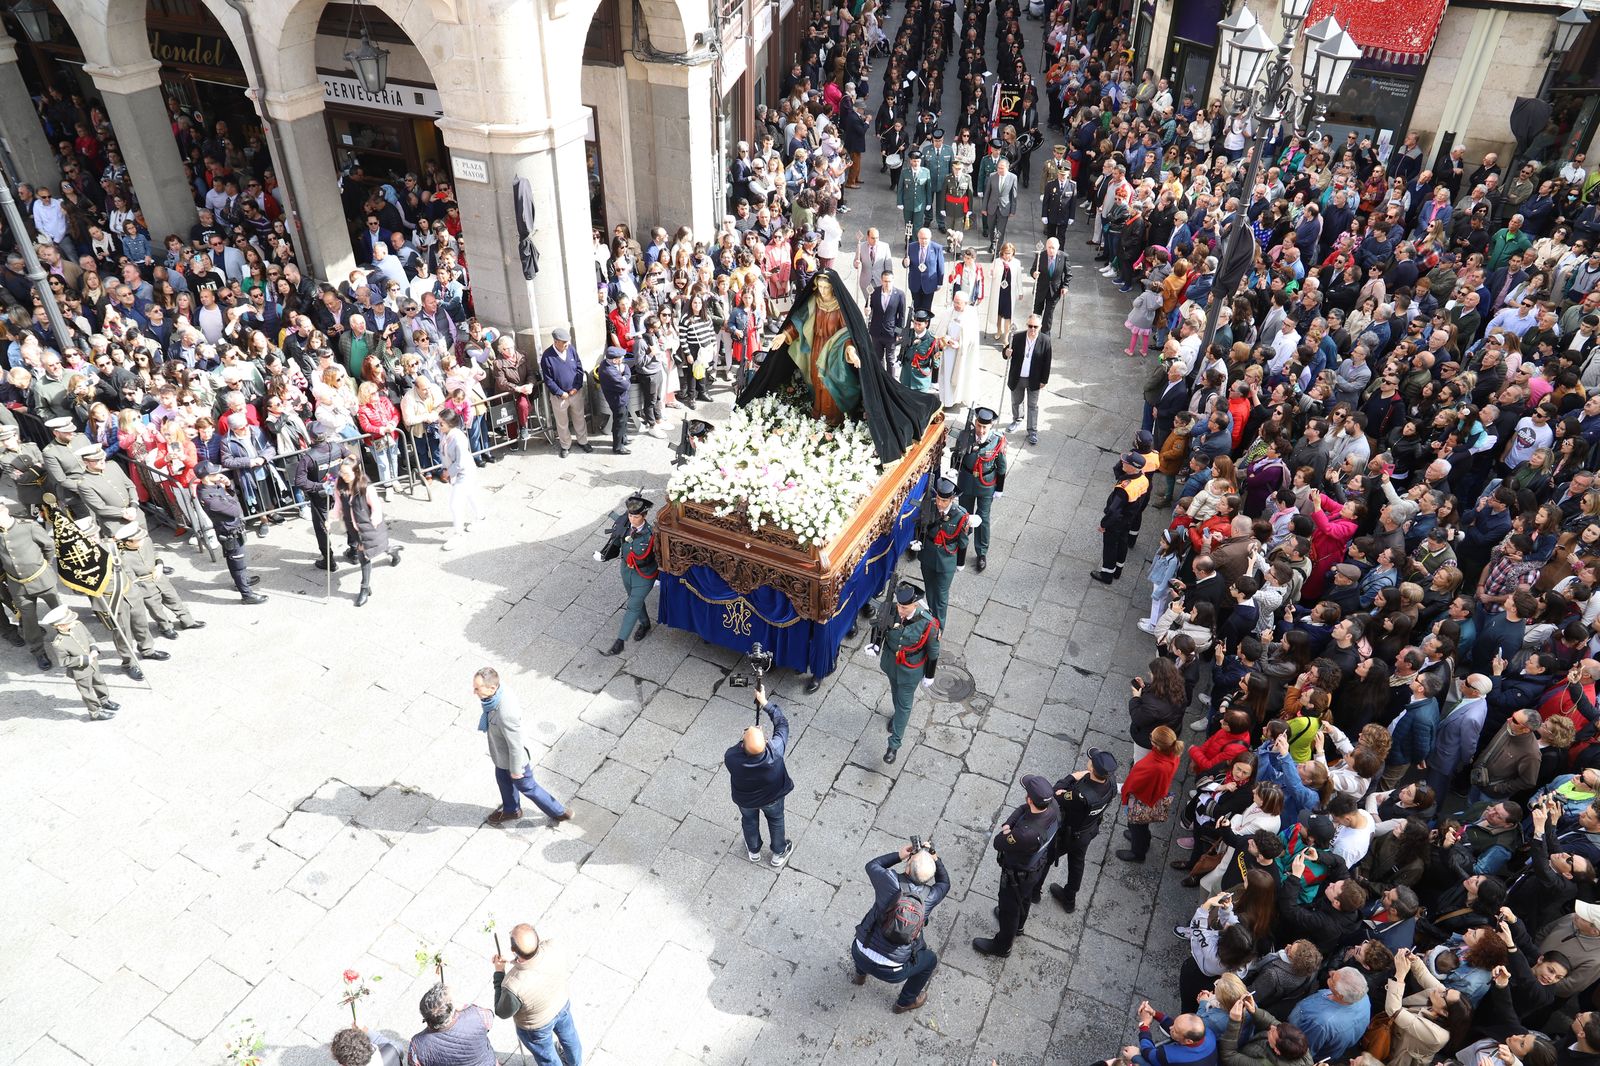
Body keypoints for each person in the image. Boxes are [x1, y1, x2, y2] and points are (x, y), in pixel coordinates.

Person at [849, 840, 950, 1013]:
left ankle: (860, 975)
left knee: (870, 934)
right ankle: (905, 1002)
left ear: (908, 868)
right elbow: (945, 883)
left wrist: (899, 855)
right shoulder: (931, 896)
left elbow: (872, 865)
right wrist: (936, 859)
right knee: (930, 960)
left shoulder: (889, 880)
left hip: (860, 951)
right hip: (894, 971)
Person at [973, 773, 1061, 958]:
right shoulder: (1052, 806)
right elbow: (1023, 809)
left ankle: (1002, 946)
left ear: (1030, 798)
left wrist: (1006, 831)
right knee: (1025, 898)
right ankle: (1020, 925)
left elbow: (998, 843)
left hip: (1017, 876)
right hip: (1036, 866)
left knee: (1008, 909)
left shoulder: (1024, 834)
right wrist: (1009, 823)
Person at [474, 665, 572, 826]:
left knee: (528, 787)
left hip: (515, 761)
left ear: (492, 687)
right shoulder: (498, 692)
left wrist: (516, 770)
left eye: (477, 689)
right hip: (502, 757)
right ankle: (511, 810)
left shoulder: (505, 715)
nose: (474, 692)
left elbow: (515, 745)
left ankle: (559, 812)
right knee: (502, 779)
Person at [724, 682, 795, 868]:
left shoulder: (732, 758)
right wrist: (764, 703)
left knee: (749, 820)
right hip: (773, 798)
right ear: (765, 741)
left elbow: (740, 748)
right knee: (776, 819)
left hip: (745, 799)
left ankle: (754, 849)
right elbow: (782, 723)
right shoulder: (776, 750)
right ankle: (779, 852)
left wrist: (745, 738)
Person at [492, 923, 582, 1066]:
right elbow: (534, 961)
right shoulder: (554, 946)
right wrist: (515, 960)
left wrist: (499, 972)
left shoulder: (513, 984)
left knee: (547, 1056)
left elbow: (502, 1011)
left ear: (513, 949)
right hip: (561, 1005)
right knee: (570, 1038)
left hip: (537, 1026)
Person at [874, 581, 941, 765]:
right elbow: (880, 626)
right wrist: (875, 645)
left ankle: (893, 745)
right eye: (900, 606)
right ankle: (897, 718)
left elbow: (933, 651)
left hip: (911, 669)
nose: (900, 610)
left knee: (904, 704)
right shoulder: (892, 609)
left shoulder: (928, 624)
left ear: (916, 604)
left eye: (905, 607)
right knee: (895, 693)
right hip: (891, 663)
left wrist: (929, 674)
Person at [1047, 747, 1120, 913]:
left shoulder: (1081, 795)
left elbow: (1056, 795)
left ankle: (1034, 892)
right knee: (1077, 863)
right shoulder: (1112, 784)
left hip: (1069, 835)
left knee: (1045, 859)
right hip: (1088, 830)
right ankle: (1069, 899)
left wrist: (1072, 777)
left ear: (1092, 769)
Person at [330, 456, 402, 607]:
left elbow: (376, 508)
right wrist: (332, 518)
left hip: (369, 527)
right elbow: (338, 504)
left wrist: (372, 524)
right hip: (354, 528)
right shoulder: (339, 484)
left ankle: (364, 588)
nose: (343, 476)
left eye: (347, 474)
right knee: (371, 551)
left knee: (366, 554)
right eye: (342, 473)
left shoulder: (366, 487)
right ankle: (392, 551)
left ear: (357, 472)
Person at [194, 462, 268, 605]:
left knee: (236, 560)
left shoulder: (210, 486)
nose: (219, 475)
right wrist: (227, 493)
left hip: (232, 529)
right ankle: (247, 595)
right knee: (237, 562)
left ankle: (242, 581)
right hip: (229, 532)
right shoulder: (209, 497)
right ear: (207, 477)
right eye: (215, 473)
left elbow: (231, 498)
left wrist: (227, 486)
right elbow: (236, 510)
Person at [0, 506, 63, 670]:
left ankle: (71, 643)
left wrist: (44, 566)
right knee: (29, 621)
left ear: (5, 511)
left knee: (60, 612)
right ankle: (38, 652)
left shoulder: (28, 526)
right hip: (18, 585)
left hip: (42, 579)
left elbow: (48, 546)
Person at [113, 521, 202, 637]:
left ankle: (187, 621)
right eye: (138, 540)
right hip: (144, 585)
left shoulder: (146, 541)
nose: (143, 540)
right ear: (128, 542)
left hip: (160, 578)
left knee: (174, 599)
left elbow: (155, 554)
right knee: (156, 609)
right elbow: (129, 576)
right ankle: (165, 627)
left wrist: (159, 565)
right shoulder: (121, 555)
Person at [915, 476, 975, 628]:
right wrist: (917, 541)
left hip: (947, 559)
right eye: (938, 499)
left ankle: (937, 629)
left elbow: (963, 541)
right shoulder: (929, 505)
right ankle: (930, 622)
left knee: (941, 597)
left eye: (944, 501)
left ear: (952, 499)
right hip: (928, 556)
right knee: (930, 591)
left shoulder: (960, 515)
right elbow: (919, 525)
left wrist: (960, 563)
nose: (940, 503)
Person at [292, 420, 352, 571]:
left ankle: (329, 561)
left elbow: (299, 481)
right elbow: (352, 458)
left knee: (322, 528)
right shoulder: (337, 447)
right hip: (339, 491)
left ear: (311, 438)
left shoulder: (308, 457)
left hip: (322, 496)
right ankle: (355, 551)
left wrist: (320, 486)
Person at [601, 492, 657, 656]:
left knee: (633, 604)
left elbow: (660, 555)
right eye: (630, 515)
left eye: (637, 516)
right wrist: (606, 552)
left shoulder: (652, 534)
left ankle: (620, 642)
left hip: (645, 573)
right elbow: (616, 544)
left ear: (645, 515)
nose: (632, 519)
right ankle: (645, 624)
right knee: (633, 597)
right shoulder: (624, 526)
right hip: (626, 569)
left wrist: (661, 576)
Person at [42, 603, 118, 721]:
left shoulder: (78, 625)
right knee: (87, 692)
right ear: (61, 626)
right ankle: (95, 712)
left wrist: (94, 648)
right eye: (70, 621)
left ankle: (104, 700)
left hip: (93, 664)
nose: (74, 621)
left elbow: (89, 637)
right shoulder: (59, 643)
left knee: (99, 682)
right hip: (81, 671)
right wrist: (86, 659)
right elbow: (64, 661)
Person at [954, 406, 1007, 571]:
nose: (981, 430)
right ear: (975, 423)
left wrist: (1000, 488)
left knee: (983, 517)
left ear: (991, 426)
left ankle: (981, 552)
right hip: (966, 481)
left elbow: (1002, 466)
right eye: (979, 425)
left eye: (985, 427)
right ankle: (960, 545)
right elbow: (957, 456)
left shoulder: (998, 440)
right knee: (964, 516)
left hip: (986, 484)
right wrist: (952, 471)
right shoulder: (965, 436)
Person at [1120, 725, 1183, 863]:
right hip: (1153, 797)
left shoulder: (1153, 766)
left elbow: (1132, 784)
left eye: (1151, 738)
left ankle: (1138, 854)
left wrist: (1124, 797)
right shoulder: (1173, 755)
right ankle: (1143, 839)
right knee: (1141, 825)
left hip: (1142, 799)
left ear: (1158, 746)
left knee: (1137, 825)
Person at [406, 984, 496, 1066]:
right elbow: (490, 1017)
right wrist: (466, 1008)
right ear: (452, 1010)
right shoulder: (476, 1015)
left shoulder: (416, 1046)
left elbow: (413, 1064)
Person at [1096, 450, 1151, 584]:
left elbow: (1114, 511)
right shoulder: (1143, 479)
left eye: (1125, 462)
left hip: (1116, 522)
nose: (1123, 462)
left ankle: (1107, 574)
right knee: (1122, 543)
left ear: (1133, 467)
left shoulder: (1124, 489)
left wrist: (1104, 524)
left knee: (1110, 547)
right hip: (1128, 519)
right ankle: (1118, 570)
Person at [540, 327, 593, 459]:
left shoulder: (571, 350)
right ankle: (565, 445)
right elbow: (548, 379)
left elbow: (579, 369)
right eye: (564, 342)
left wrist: (577, 386)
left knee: (579, 417)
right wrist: (559, 392)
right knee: (562, 422)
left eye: (567, 342)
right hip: (560, 397)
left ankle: (583, 441)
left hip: (575, 393)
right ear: (556, 342)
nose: (567, 345)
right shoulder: (547, 356)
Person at [439, 407, 486, 551]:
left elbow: (461, 462)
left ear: (450, 423)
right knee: (471, 495)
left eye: (441, 423)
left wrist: (448, 473)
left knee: (455, 504)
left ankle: (458, 534)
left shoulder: (458, 438)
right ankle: (480, 517)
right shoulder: (445, 434)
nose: (439, 426)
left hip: (464, 473)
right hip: (459, 473)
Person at [1004, 313, 1051, 445]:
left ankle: (1032, 431)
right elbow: (1006, 352)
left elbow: (1047, 362)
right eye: (1030, 326)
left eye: (1035, 327)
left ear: (1040, 327)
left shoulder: (1045, 340)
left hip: (1034, 379)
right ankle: (1017, 420)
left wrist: (1044, 380)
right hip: (1017, 377)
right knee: (1016, 401)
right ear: (1027, 325)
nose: (1032, 329)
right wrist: (1006, 352)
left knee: (1033, 406)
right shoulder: (1017, 337)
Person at [596, 345, 633, 455]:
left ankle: (623, 439)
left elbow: (626, 368)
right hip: (618, 400)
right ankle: (618, 447)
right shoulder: (609, 371)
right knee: (619, 423)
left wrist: (624, 375)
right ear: (615, 360)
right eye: (621, 358)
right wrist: (625, 378)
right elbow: (625, 385)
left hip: (621, 399)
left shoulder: (608, 363)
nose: (622, 360)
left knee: (623, 421)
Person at [903, 227, 946, 318]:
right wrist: (905, 262)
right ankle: (917, 325)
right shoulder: (911, 247)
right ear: (918, 238)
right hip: (915, 283)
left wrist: (939, 283)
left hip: (929, 284)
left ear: (930, 238)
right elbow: (906, 262)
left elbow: (940, 267)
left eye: (925, 239)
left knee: (926, 309)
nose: (923, 241)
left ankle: (925, 327)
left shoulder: (936, 248)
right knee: (916, 308)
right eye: (921, 238)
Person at [900, 310, 940, 393]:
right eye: (915, 323)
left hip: (921, 380)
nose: (916, 326)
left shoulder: (932, 339)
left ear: (926, 324)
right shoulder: (907, 333)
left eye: (919, 324)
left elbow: (936, 363)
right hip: (906, 378)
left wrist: (934, 381)